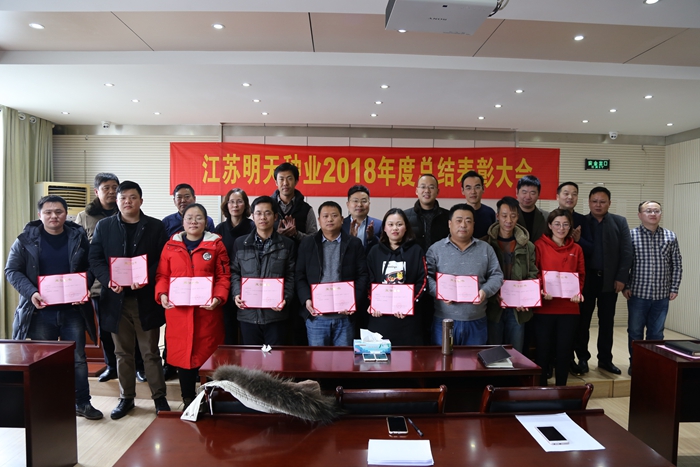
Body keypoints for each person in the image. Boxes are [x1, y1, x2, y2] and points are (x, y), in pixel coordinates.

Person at [6, 195, 103, 420]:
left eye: (58, 212)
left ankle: (82, 403)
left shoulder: (78, 237)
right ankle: (47, 405)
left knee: (78, 359)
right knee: (43, 361)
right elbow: (12, 271)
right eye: (48, 212)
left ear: (66, 214)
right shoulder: (25, 240)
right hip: (40, 312)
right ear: (39, 215)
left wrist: (84, 287)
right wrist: (31, 293)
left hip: (73, 311)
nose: (53, 216)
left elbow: (91, 266)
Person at [89, 181, 170, 419]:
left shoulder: (155, 226)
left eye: (132, 197)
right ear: (117, 201)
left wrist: (146, 278)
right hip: (115, 300)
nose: (127, 202)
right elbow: (95, 259)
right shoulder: (104, 226)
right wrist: (108, 280)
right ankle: (126, 398)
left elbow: (163, 259)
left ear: (141, 201)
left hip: (145, 299)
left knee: (150, 352)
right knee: (122, 353)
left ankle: (159, 397)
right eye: (123, 198)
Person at [156, 203, 230, 407]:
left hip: (207, 312)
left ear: (206, 222)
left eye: (199, 218)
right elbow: (162, 275)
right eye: (189, 218)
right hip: (179, 313)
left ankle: (211, 401)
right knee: (184, 357)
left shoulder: (216, 245)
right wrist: (162, 294)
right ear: (183, 221)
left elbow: (224, 276)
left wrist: (218, 297)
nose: (193, 222)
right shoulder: (170, 246)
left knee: (209, 356)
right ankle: (188, 400)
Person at [75, 172, 146, 384]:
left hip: (131, 282)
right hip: (101, 284)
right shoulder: (84, 217)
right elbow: (82, 252)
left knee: (134, 328)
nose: (111, 191)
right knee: (106, 329)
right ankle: (111, 366)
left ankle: (139, 366)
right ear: (97, 192)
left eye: (115, 187)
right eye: (106, 188)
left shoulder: (128, 212)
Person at [572, 187, 633, 376]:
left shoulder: (619, 222)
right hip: (586, 280)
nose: (598, 205)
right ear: (589, 202)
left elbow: (627, 252)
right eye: (594, 201)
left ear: (609, 203)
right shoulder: (581, 222)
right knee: (583, 322)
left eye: (602, 201)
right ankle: (582, 358)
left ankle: (605, 359)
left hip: (610, 280)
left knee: (607, 322)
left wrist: (621, 278)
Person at [426, 204, 503, 345]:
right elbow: (427, 278)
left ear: (473, 224)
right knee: (443, 358)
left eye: (468, 221)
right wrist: (440, 292)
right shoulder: (435, 249)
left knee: (473, 359)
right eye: (459, 220)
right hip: (444, 320)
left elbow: (497, 275)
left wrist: (485, 291)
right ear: (450, 224)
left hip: (476, 320)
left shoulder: (486, 249)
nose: (463, 225)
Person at [296, 201, 369, 346]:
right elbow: (299, 275)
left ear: (342, 219)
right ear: (319, 220)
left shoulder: (354, 244)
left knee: (343, 359)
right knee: (318, 359)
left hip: (345, 316)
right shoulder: (307, 243)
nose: (330, 219)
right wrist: (306, 299)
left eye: (334, 216)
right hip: (316, 317)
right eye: (325, 216)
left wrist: (354, 301)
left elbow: (363, 275)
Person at [624, 201, 682, 374]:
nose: (653, 214)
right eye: (648, 211)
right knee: (635, 332)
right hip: (637, 293)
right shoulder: (631, 236)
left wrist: (674, 287)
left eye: (656, 211)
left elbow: (677, 264)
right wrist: (625, 285)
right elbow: (625, 264)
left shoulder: (670, 236)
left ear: (660, 214)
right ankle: (636, 364)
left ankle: (653, 365)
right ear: (640, 215)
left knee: (656, 334)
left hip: (662, 295)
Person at [231, 196, 297, 346]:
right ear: (252, 216)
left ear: (275, 217)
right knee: (250, 358)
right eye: (258, 213)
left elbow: (291, 276)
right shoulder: (240, 243)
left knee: (275, 358)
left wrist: (286, 298)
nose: (263, 217)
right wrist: (236, 293)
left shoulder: (287, 245)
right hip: (248, 314)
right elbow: (234, 272)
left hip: (276, 315)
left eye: (267, 213)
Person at [533, 209, 585, 386]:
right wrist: (541, 289)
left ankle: (561, 389)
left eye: (565, 224)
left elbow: (581, 274)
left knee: (564, 351)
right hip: (545, 308)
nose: (561, 228)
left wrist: (578, 292)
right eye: (557, 224)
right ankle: (541, 389)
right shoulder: (539, 246)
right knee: (543, 351)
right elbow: (535, 271)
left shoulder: (576, 249)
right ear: (549, 225)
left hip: (569, 309)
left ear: (570, 227)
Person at [484, 196, 538, 353]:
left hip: (517, 309)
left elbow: (533, 273)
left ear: (517, 217)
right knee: (494, 352)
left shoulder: (527, 246)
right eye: (504, 215)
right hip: (494, 307)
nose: (509, 220)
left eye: (513, 216)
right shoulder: (486, 244)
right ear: (497, 216)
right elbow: (481, 275)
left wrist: (526, 298)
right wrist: (491, 294)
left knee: (515, 352)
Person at [366, 208, 427, 345]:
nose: (395, 228)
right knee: (380, 357)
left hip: (407, 319)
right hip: (380, 317)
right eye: (391, 224)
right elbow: (368, 280)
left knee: (407, 357)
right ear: (384, 228)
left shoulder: (416, 250)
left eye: (399, 224)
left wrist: (409, 304)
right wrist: (373, 302)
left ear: (406, 227)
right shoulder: (375, 251)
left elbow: (422, 280)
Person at [215, 188, 254, 344]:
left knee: (247, 330)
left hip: (247, 283)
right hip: (225, 282)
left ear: (245, 205)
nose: (235, 205)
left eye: (239, 202)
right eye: (231, 202)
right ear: (226, 205)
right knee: (228, 327)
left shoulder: (253, 227)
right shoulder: (219, 229)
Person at [272, 162, 318, 242]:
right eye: (281, 179)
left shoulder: (306, 209)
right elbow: (259, 235)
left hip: (299, 250)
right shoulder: (268, 207)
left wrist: (296, 234)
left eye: (289, 178)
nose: (285, 183)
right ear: (276, 182)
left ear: (296, 181)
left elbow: (314, 239)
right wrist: (276, 235)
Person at [404, 174, 450, 251]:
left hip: (440, 258)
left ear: (437, 191)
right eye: (423, 187)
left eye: (431, 187)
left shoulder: (448, 216)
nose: (427, 191)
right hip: (415, 258)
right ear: (416, 191)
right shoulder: (405, 216)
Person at [342, 184, 382, 253]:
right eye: (355, 201)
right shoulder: (341, 225)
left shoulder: (379, 225)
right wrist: (350, 239)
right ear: (348, 204)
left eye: (364, 201)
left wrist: (371, 238)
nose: (359, 204)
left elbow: (383, 249)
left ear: (369, 204)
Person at [556, 181, 592, 255]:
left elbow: (591, 249)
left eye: (574, 194)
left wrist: (579, 239)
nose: (570, 197)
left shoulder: (583, 220)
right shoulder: (550, 218)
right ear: (558, 197)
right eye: (566, 194)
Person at [461, 170, 496, 239]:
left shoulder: (490, 212)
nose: (473, 192)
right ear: (462, 191)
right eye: (468, 188)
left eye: (477, 187)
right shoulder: (458, 213)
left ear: (483, 189)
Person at [516, 175, 549, 242]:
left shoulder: (547, 217)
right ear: (517, 192)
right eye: (524, 192)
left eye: (532, 193)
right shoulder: (508, 217)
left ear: (538, 194)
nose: (528, 197)